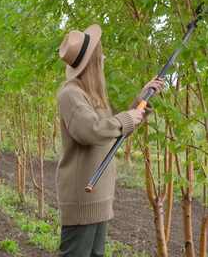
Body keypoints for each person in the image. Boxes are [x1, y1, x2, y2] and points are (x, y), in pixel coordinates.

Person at [56, 24, 165, 257]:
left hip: (100, 197)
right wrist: (127, 118)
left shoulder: (93, 95)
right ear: (93, 61)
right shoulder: (71, 94)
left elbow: (111, 131)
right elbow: (90, 130)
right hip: (82, 200)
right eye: (100, 54)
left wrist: (140, 103)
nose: (104, 57)